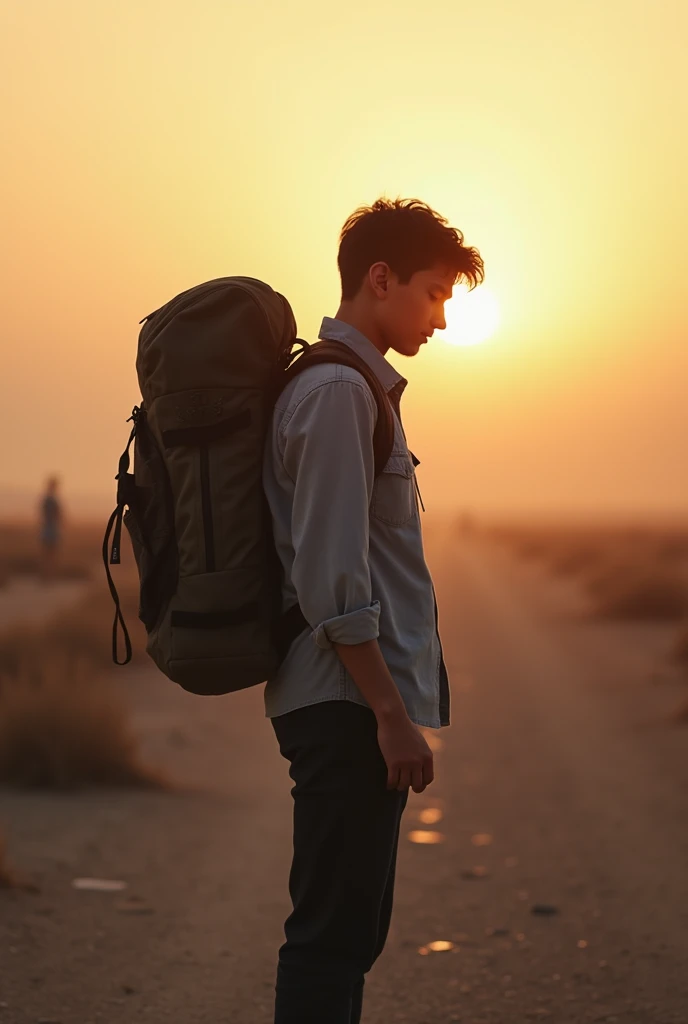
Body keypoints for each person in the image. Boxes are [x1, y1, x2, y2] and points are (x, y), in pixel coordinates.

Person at [263, 197, 484, 1024]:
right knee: (330, 939)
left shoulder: (353, 389)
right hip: (344, 701)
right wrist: (390, 713)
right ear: (380, 279)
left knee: (347, 934)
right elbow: (332, 576)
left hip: (347, 698)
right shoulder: (335, 394)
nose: (440, 319)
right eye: (432, 294)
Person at [38, 475, 63, 580]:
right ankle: (48, 576)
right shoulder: (51, 500)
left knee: (48, 554)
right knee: (50, 554)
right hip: (51, 529)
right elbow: (57, 514)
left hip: (48, 529)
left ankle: (47, 576)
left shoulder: (48, 499)